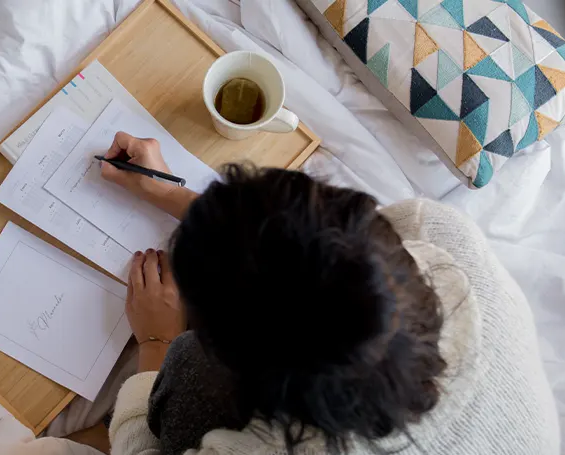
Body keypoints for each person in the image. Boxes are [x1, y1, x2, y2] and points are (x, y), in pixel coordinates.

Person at [98, 132, 561, 455]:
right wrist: (181, 201)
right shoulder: (436, 230)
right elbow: (315, 250)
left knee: (181, 373)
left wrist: (155, 343)